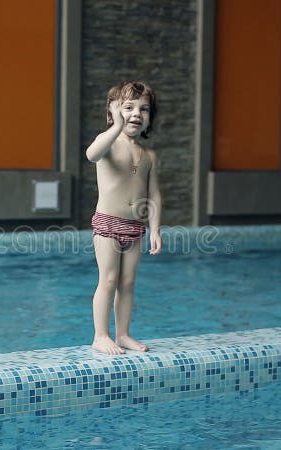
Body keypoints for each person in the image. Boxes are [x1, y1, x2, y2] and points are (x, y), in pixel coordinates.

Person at [84, 81, 162, 355]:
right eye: (128, 108)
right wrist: (115, 127)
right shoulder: (107, 143)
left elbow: (153, 195)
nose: (136, 114)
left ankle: (123, 333)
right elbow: (91, 154)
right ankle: (100, 335)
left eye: (144, 109)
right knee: (108, 279)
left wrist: (155, 229)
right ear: (112, 112)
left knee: (127, 282)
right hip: (107, 222)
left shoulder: (148, 155)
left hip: (135, 226)